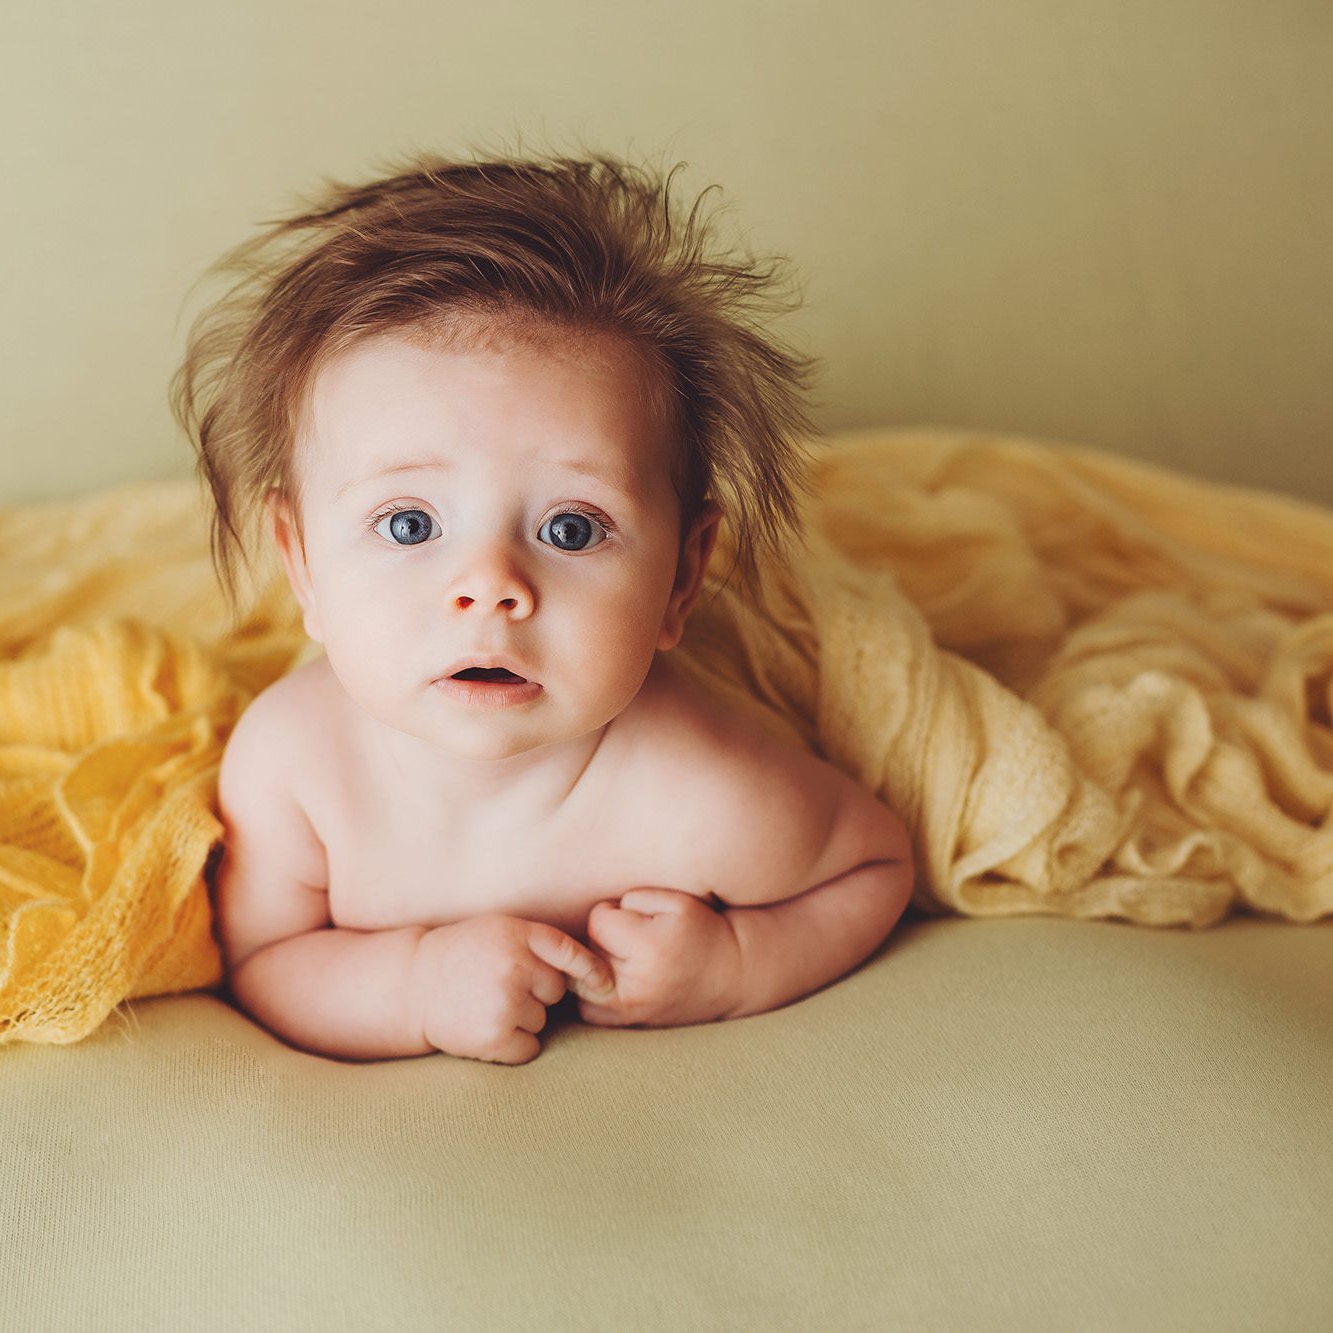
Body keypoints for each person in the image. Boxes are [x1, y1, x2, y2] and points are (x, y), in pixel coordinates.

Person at [169, 141, 914, 1065]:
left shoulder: (701, 792)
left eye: (570, 529)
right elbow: (264, 958)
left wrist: (734, 962)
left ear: (681, 580)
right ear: (304, 566)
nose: (491, 587)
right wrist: (415, 985)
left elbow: (871, 864)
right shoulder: (296, 768)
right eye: (408, 525)